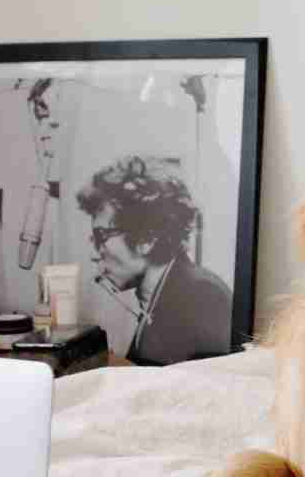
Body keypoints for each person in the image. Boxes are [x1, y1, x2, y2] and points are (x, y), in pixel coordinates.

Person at [75, 156, 232, 365]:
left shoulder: (201, 296)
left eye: (102, 236)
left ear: (146, 238)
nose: (94, 254)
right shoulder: (159, 298)